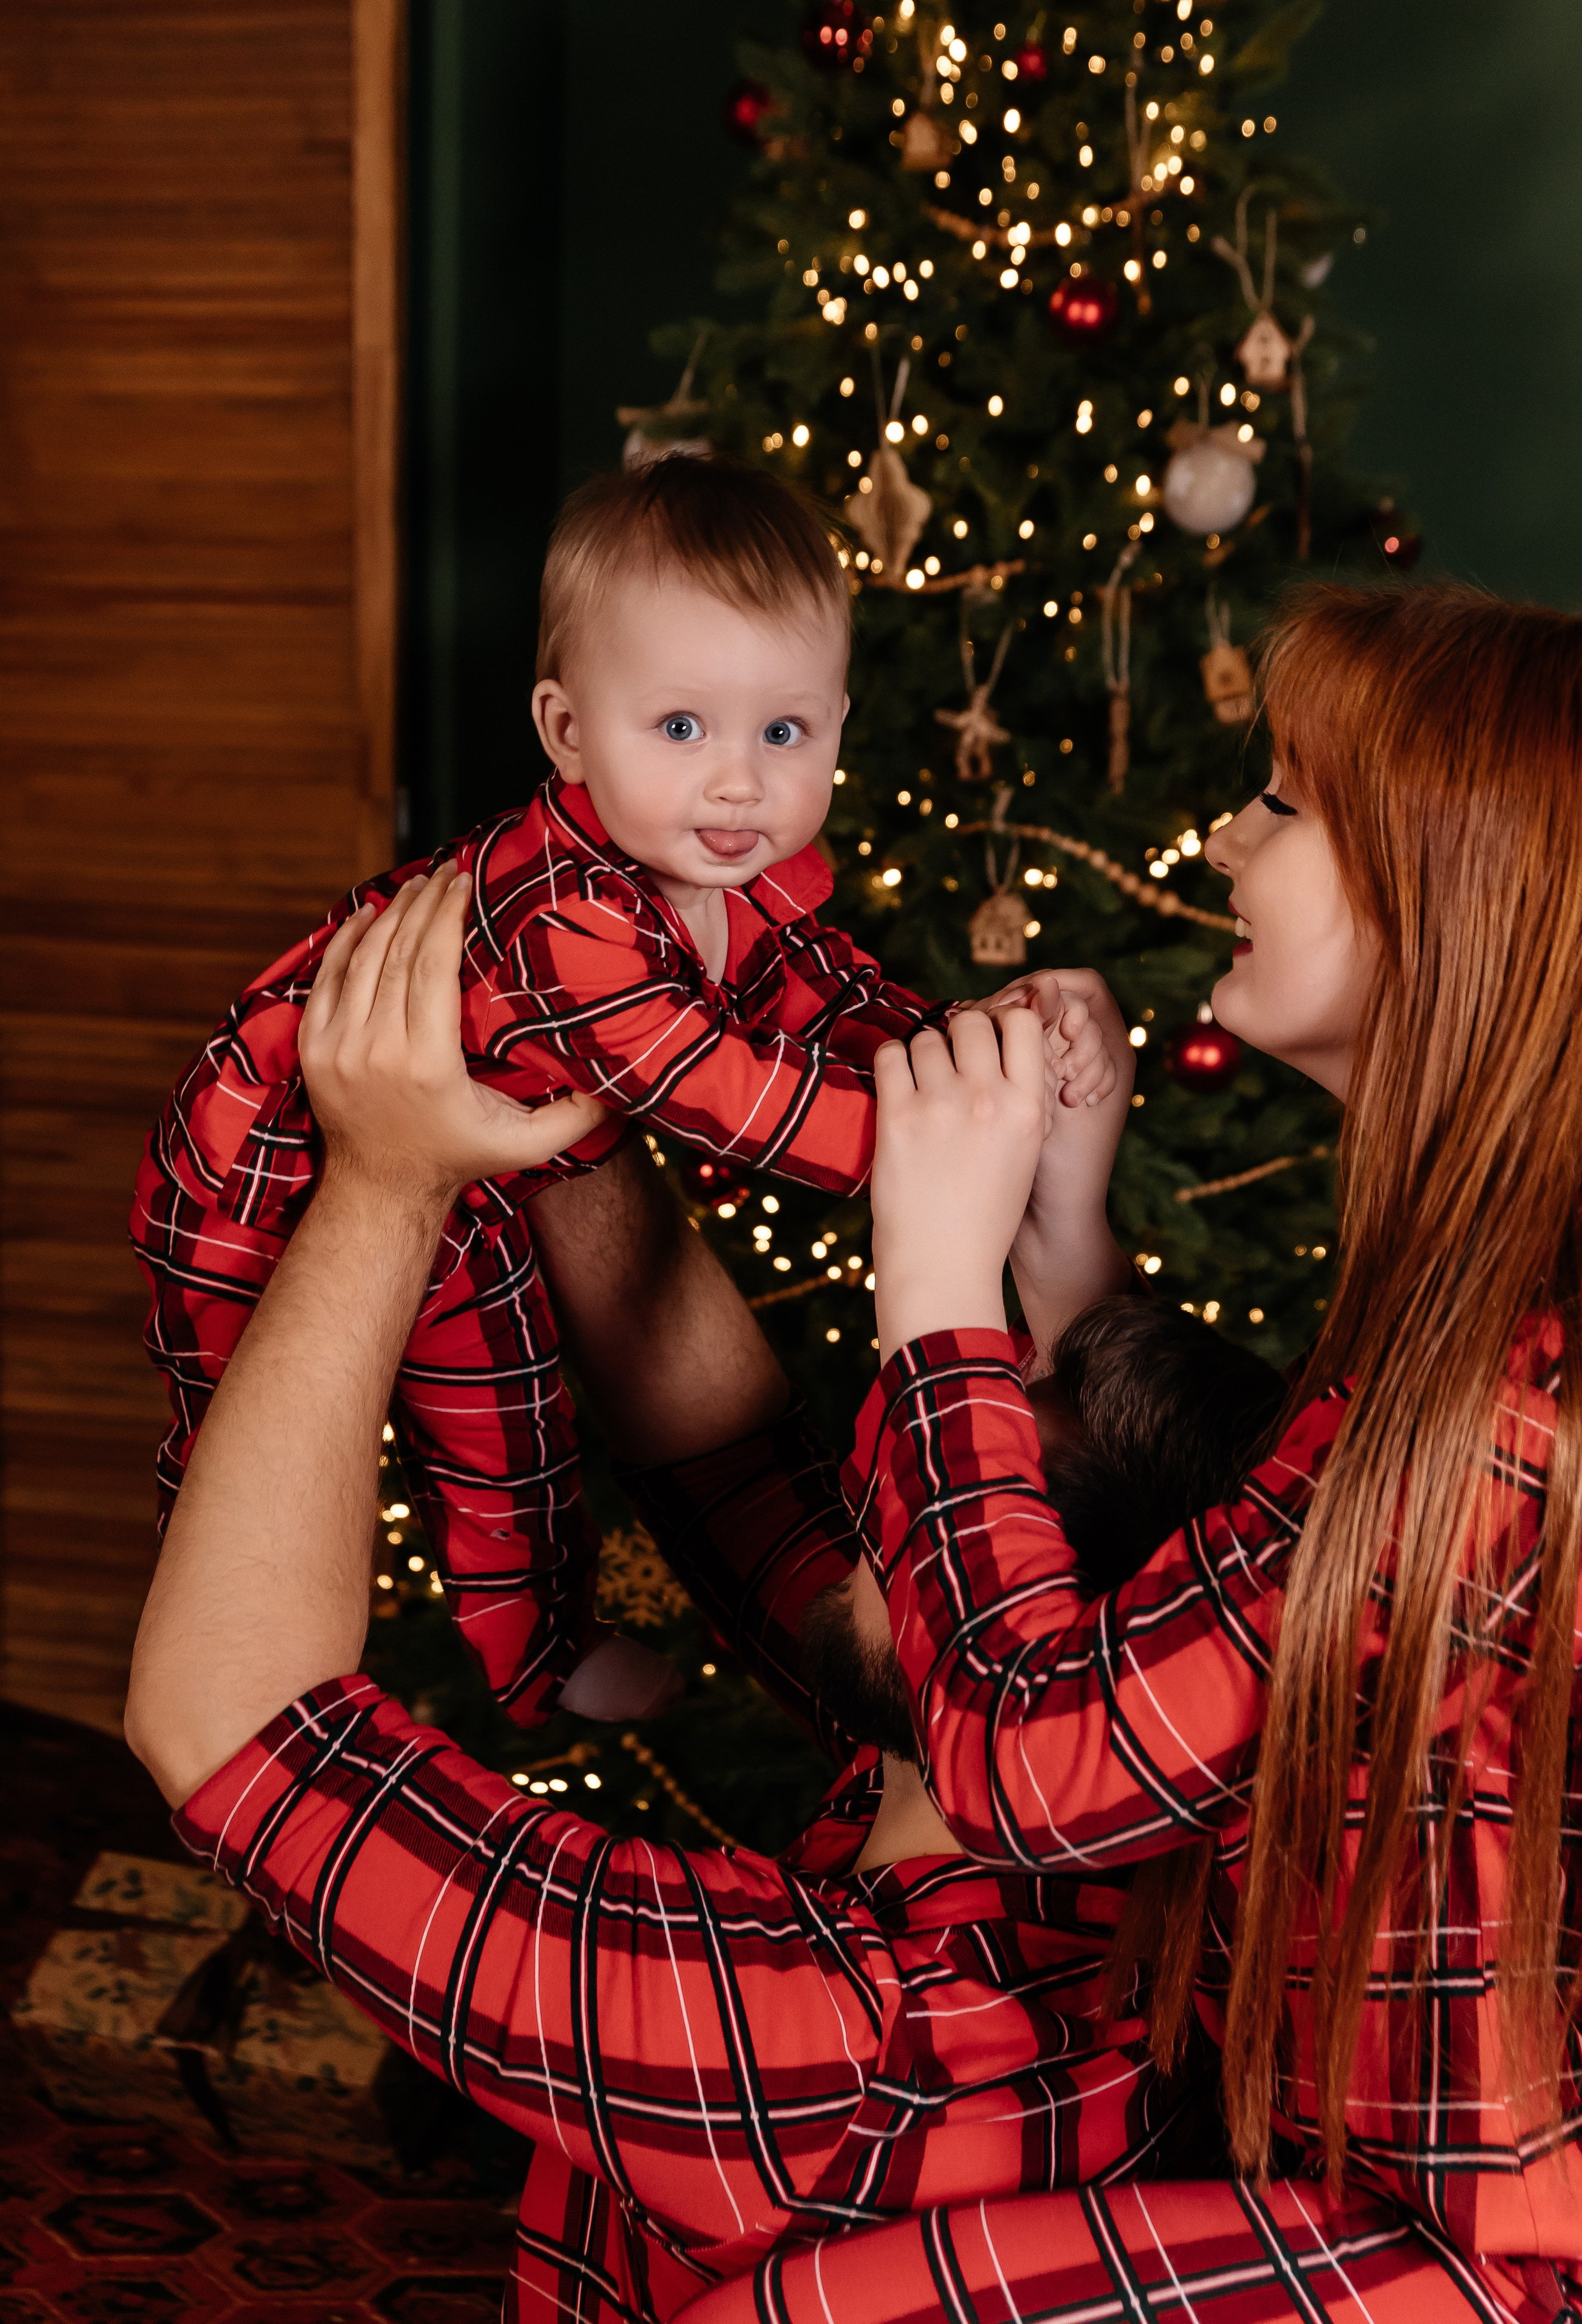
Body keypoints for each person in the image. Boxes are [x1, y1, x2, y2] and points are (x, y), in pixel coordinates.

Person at [125, 866, 1210, 2324]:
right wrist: (560, 1096)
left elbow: (230, 1723)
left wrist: (390, 1179)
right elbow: (736, 1476)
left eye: (938, 1485)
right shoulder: (1091, 1812)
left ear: (1025, 1627)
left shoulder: (835, 2042)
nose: (887, 1470)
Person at [711, 584, 1582, 2324]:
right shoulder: (1477, 1318)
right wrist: (1067, 1243)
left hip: (1483, 2254)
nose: (1225, 837)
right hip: (1353, 2165)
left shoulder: (1511, 1407)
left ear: (1441, 889)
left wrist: (942, 1293)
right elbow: (1280, 1576)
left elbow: (1033, 1767)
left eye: (1282, 804)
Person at [129, 456, 1108, 1732]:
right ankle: (305, 1659)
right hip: (257, 1163)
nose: (737, 783)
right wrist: (952, 1142)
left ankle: (534, 1666)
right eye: (682, 728)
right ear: (566, 730)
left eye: (784, 732)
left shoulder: (737, 874)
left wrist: (968, 1048)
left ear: (835, 723)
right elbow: (723, 1094)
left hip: (475, 1169)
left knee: (510, 1415)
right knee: (254, 1445)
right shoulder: (568, 914)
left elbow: (831, 997)